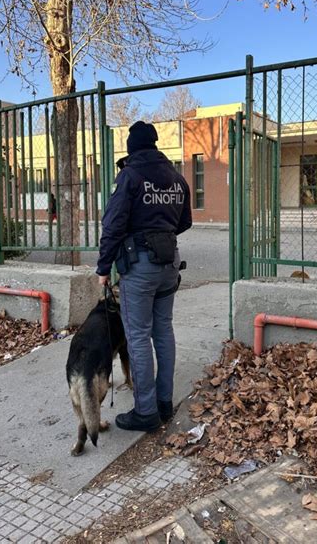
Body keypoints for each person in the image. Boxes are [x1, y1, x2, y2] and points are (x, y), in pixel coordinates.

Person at [96, 120, 192, 433]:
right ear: (155, 144)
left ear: (131, 147)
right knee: (163, 329)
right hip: (169, 263)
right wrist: (159, 231)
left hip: (140, 265)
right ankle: (164, 402)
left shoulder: (130, 175)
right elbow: (184, 222)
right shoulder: (178, 179)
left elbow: (113, 225)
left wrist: (103, 268)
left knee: (137, 335)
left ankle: (146, 411)